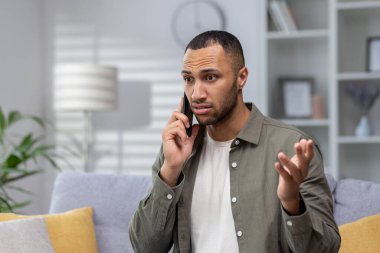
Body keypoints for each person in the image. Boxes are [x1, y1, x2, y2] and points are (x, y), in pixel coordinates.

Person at [129, 30, 340, 253]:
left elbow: (326, 249)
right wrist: (170, 170)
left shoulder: (292, 146)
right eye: (189, 79)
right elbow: (145, 248)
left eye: (210, 77)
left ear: (241, 78)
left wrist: (291, 202)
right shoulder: (176, 149)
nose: (197, 93)